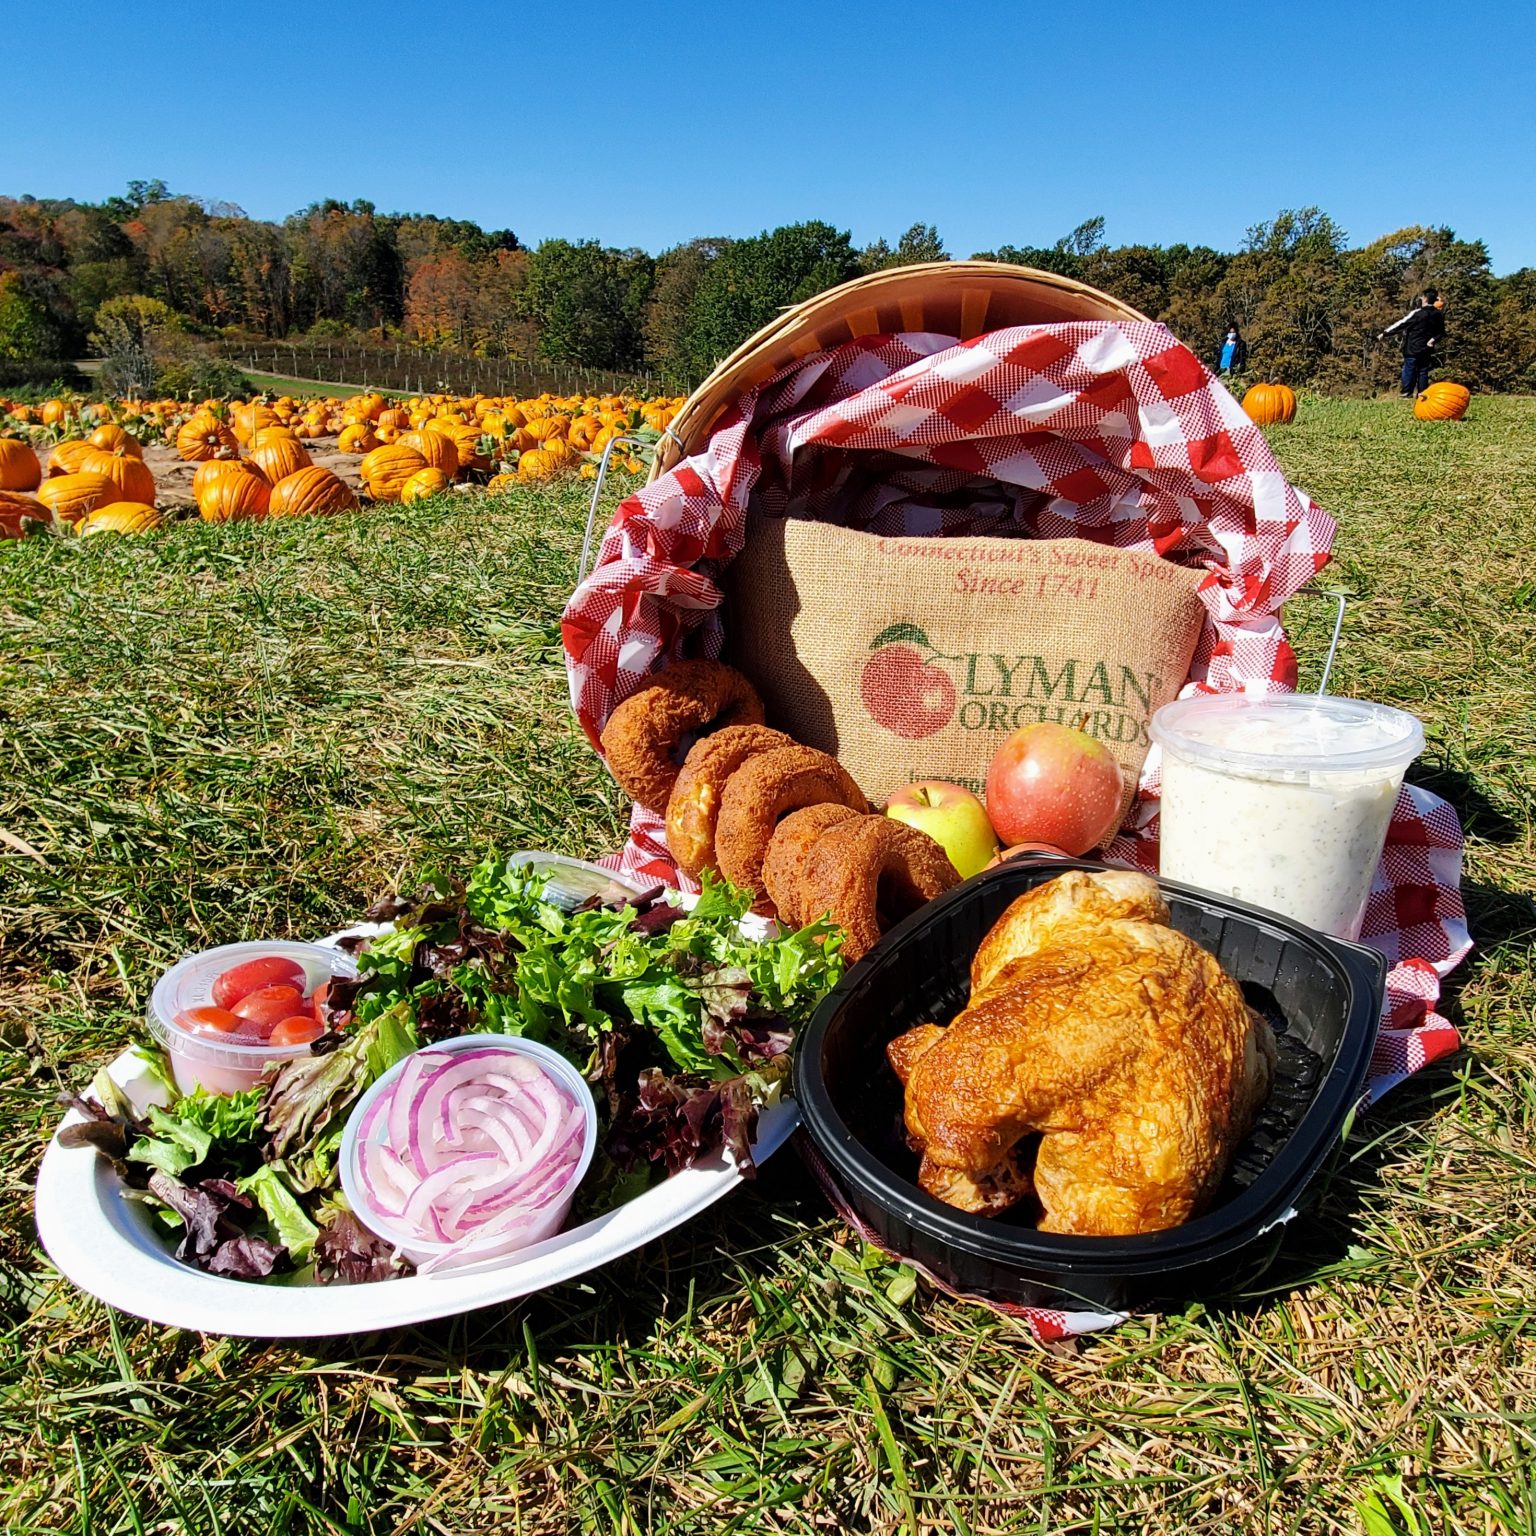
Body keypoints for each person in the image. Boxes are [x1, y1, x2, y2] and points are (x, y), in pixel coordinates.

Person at [1381, 289, 1446, 398]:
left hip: (1412, 347)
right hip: (1427, 348)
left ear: (1425, 298)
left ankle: (1407, 392)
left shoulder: (1418, 313)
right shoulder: (1438, 315)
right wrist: (1434, 339)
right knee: (1423, 370)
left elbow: (1402, 324)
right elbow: (1441, 332)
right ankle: (1422, 393)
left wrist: (1385, 334)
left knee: (1409, 369)